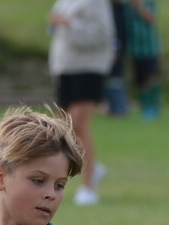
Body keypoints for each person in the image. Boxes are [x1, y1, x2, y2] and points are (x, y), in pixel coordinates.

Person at [48, 0, 116, 206]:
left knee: (78, 125)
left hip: (89, 67)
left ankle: (88, 186)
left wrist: (69, 24)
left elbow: (103, 34)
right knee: (63, 127)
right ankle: (92, 168)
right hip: (65, 66)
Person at [125, 0, 162, 120]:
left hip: (149, 47)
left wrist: (138, 6)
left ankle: (153, 106)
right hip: (135, 48)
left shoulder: (149, 2)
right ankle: (144, 105)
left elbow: (151, 18)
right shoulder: (127, 5)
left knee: (150, 77)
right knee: (139, 79)